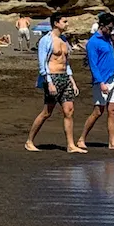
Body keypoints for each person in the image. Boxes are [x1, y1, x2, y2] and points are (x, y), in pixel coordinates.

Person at [27, 11, 81, 152]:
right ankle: (29, 141)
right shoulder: (46, 40)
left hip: (65, 77)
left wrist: (72, 80)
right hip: (53, 77)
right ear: (56, 23)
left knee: (69, 111)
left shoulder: (63, 40)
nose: (67, 24)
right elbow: (42, 63)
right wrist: (49, 82)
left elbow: (66, 62)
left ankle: (70, 145)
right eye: (65, 21)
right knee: (47, 112)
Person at [77, 12, 114, 151]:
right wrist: (100, 82)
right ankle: (81, 139)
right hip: (102, 80)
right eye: (109, 28)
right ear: (101, 25)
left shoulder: (109, 39)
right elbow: (93, 64)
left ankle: (112, 142)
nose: (111, 30)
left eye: (112, 28)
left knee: (113, 110)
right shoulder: (93, 42)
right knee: (98, 111)